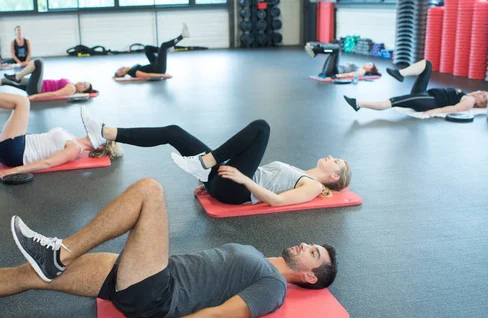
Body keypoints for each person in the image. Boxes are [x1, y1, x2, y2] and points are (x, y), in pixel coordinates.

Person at [0, 178, 338, 318]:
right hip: (144, 275)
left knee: (149, 191)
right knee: (29, 277)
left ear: (308, 277)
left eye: (313, 253)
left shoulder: (273, 288)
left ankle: (57, 252)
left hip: (156, 295)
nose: (304, 244)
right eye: (312, 244)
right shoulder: (260, 258)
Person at [81, 112, 351, 206]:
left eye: (336, 161)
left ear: (334, 177)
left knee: (261, 127)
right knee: (174, 132)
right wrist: (211, 185)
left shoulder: (314, 186)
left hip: (236, 188)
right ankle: (105, 133)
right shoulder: (300, 172)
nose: (331, 156)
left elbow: (277, 201)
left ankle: (205, 164)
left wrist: (243, 179)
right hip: (226, 181)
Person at [343, 59, 488, 115]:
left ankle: (358, 104)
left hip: (430, 101)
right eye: (483, 91)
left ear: (481, 104)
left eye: (484, 95)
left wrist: (434, 112)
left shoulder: (469, 101)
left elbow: (455, 109)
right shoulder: (468, 95)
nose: (481, 92)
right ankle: (400, 73)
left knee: (395, 101)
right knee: (428, 65)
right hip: (426, 94)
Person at [0, 59, 95, 101]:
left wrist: (33, 97)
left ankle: (17, 77)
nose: (82, 83)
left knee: (39, 62)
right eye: (84, 82)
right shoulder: (72, 83)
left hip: (37, 89)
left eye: (84, 86)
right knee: (5, 81)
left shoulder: (71, 88)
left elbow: (53, 94)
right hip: (35, 86)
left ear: (81, 92)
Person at [114, 23, 190, 79]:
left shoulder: (131, 69)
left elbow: (115, 77)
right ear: (124, 74)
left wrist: (115, 76)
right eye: (121, 71)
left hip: (154, 65)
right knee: (163, 45)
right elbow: (146, 75)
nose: (121, 69)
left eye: (119, 69)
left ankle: (167, 49)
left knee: (147, 48)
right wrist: (162, 75)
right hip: (158, 69)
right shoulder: (132, 72)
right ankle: (182, 36)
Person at [305, 41, 380, 79]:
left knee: (337, 49)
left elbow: (352, 75)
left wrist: (337, 76)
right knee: (333, 51)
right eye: (369, 63)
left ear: (370, 70)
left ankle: (316, 49)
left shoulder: (362, 71)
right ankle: (315, 50)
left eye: (370, 65)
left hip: (334, 71)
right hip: (331, 70)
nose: (367, 64)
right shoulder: (360, 68)